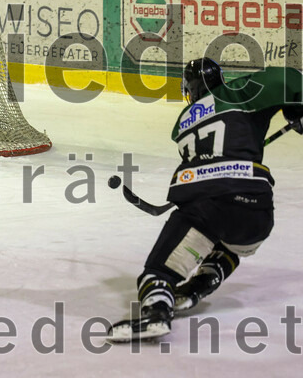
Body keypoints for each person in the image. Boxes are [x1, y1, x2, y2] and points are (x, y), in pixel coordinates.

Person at [107, 58, 303, 342]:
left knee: (157, 273)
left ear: (190, 88)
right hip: (257, 215)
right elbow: (286, 77)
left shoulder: (182, 123)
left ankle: (156, 312)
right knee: (231, 243)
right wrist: (296, 109)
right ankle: (203, 281)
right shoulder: (240, 92)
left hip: (208, 206)